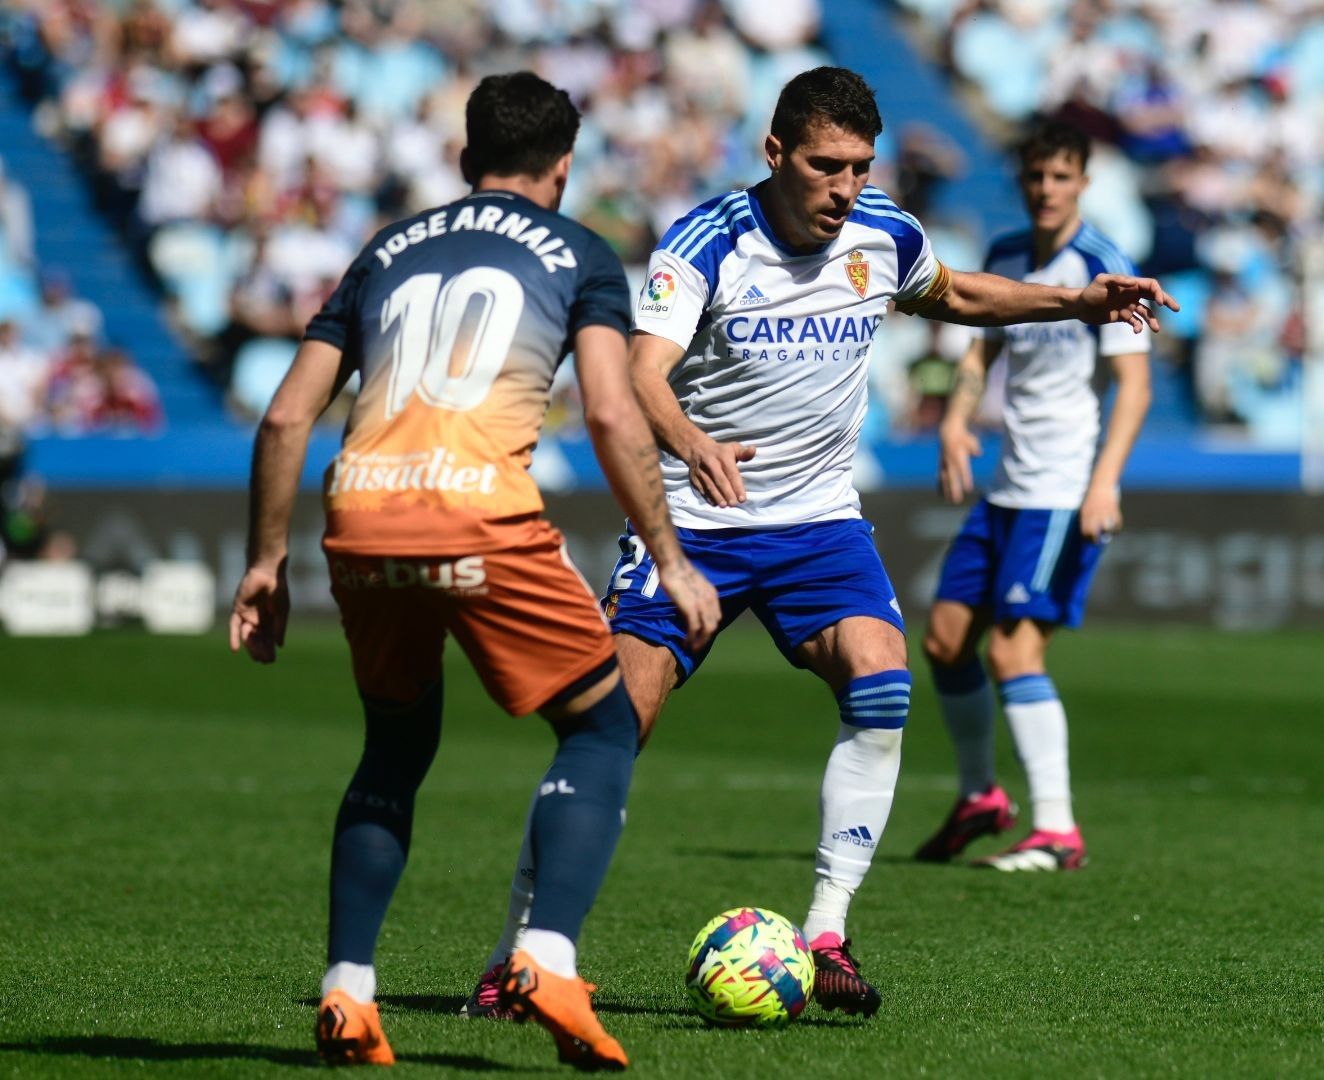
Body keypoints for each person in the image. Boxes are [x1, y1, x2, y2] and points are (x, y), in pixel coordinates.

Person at [466, 68, 1175, 1019]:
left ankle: (827, 934)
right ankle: (516, 957)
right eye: (824, 166)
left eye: (859, 167)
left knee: (883, 683)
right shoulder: (706, 241)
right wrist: (693, 444)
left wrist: (1078, 303)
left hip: (817, 523)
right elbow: (641, 373)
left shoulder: (884, 233)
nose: (845, 188)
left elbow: (959, 294)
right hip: (696, 523)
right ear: (775, 153)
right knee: (611, 727)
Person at [229, 72, 718, 1071]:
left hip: (362, 513)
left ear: (465, 159)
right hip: (478, 513)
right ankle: (547, 959)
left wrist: (264, 561)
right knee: (600, 726)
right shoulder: (579, 251)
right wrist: (670, 557)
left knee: (394, 747)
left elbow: (284, 416)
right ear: (564, 167)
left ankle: (348, 992)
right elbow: (613, 410)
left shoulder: (384, 250)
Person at [914, 121, 1153, 872]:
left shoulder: (1104, 265)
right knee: (944, 641)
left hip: (1063, 489)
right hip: (1007, 487)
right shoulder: (1005, 255)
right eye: (1035, 176)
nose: (1046, 189)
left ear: (1083, 181)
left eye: (1060, 176)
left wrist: (1104, 482)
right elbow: (981, 345)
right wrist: (955, 419)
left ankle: (1056, 828)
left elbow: (1135, 386)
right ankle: (981, 795)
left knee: (1013, 650)